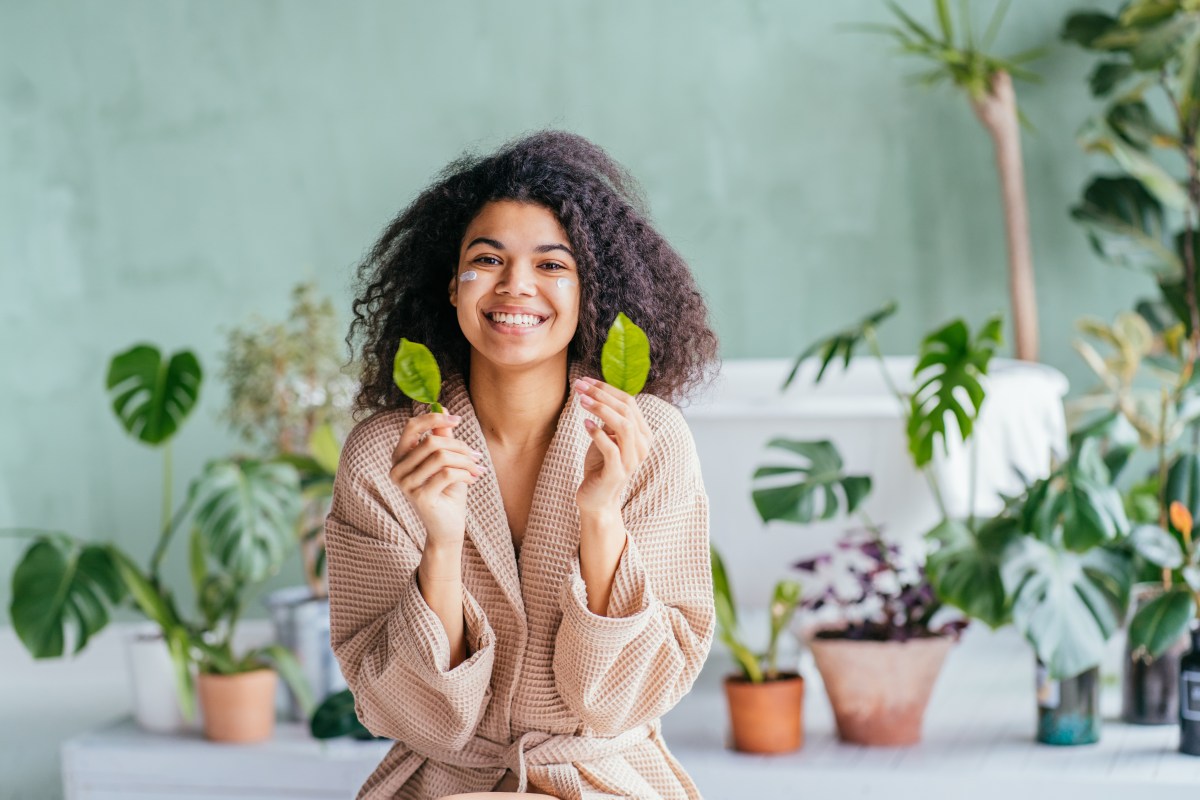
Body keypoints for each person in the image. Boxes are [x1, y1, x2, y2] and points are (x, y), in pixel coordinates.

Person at [325, 130, 719, 800]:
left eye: (550, 265)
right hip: (445, 784)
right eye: (487, 260)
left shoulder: (649, 441)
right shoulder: (384, 459)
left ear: (590, 290)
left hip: (605, 780)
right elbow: (414, 716)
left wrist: (601, 521)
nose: (515, 286)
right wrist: (441, 546)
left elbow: (624, 701)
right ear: (452, 286)